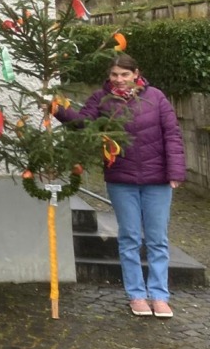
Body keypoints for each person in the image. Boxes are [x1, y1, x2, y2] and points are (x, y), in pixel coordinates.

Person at [55, 54, 185, 319]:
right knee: (129, 238)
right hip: (121, 180)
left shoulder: (156, 97)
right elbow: (83, 124)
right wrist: (56, 109)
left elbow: (172, 134)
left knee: (158, 239)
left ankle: (159, 296)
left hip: (158, 180)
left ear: (136, 74)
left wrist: (175, 172)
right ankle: (136, 295)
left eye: (125, 74)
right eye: (114, 74)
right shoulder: (101, 99)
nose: (119, 79)